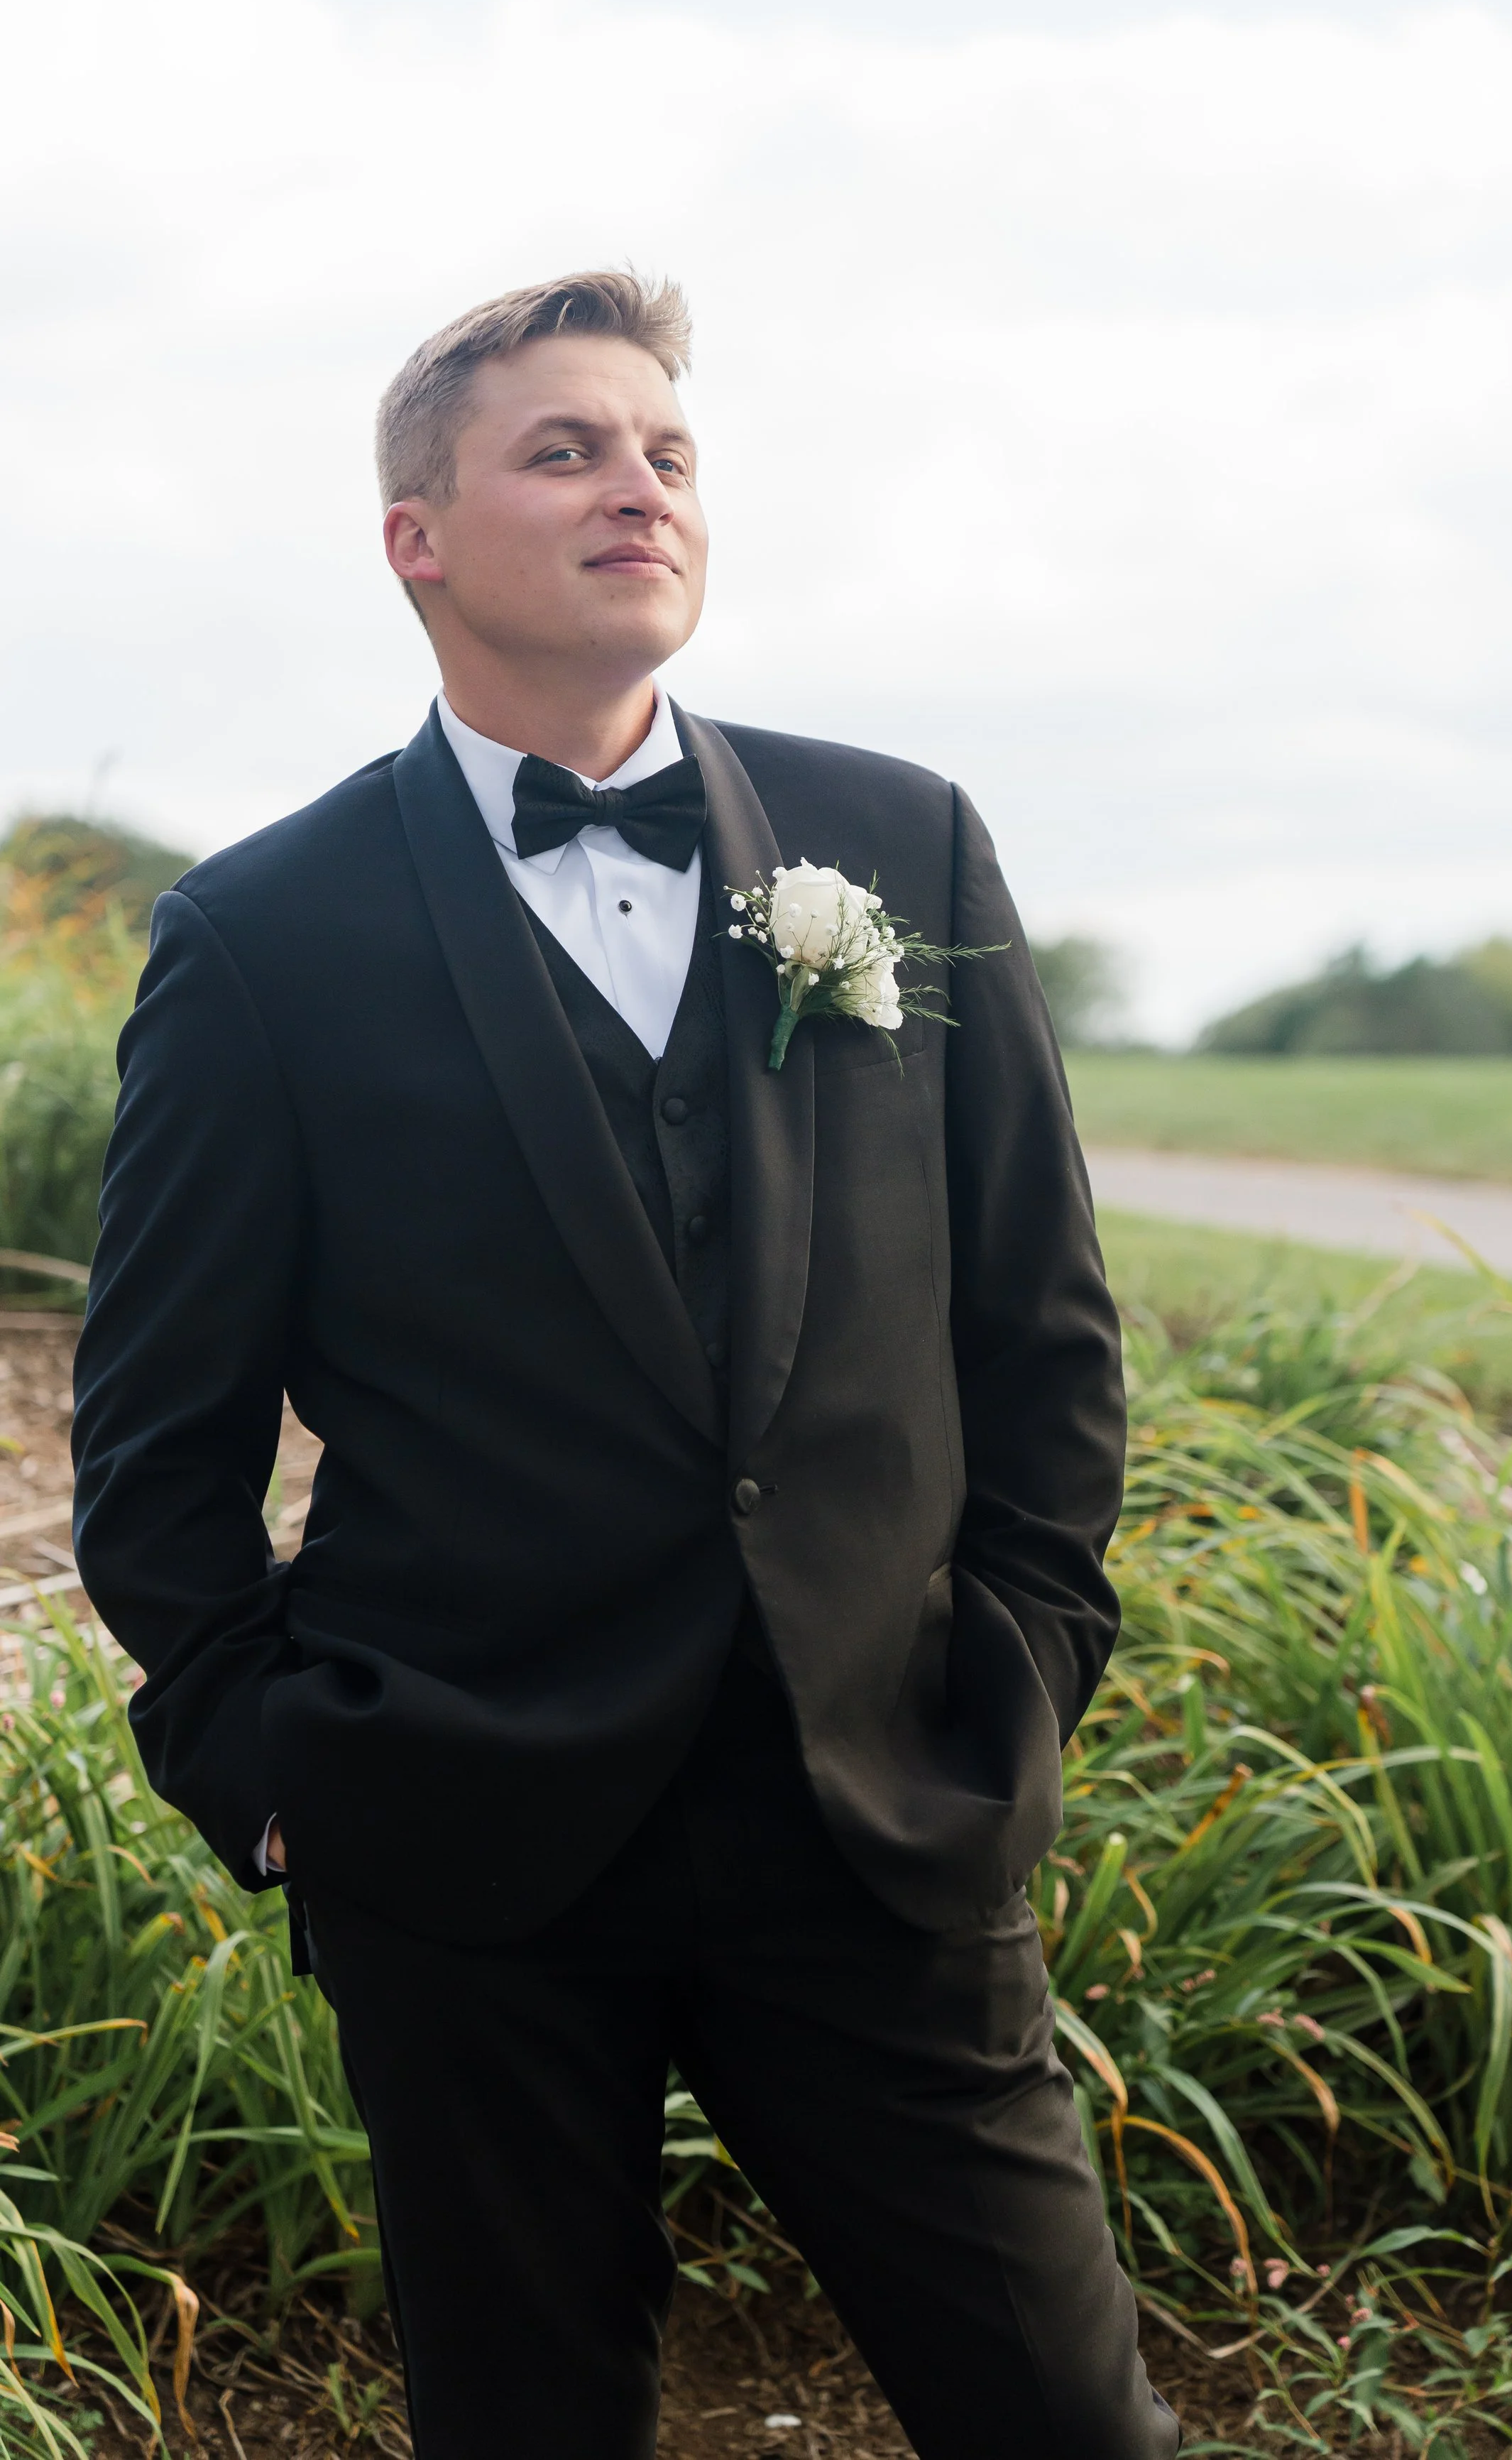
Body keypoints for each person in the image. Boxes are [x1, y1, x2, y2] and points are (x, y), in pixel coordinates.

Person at [71, 271, 1177, 2460]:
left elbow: (1038, 1329)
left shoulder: (906, 843)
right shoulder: (261, 938)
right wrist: (275, 1771)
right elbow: (158, 1445)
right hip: (467, 1853)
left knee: (1069, 2425)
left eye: (665, 451)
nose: (635, 488)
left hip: (879, 1816)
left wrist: (1019, 1678)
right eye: (563, 450)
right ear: (418, 535)